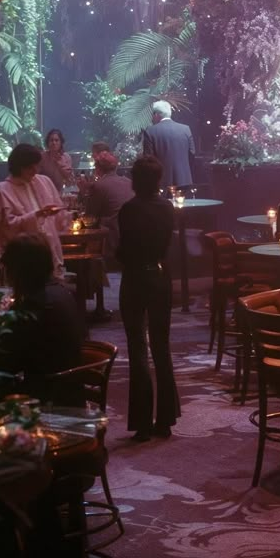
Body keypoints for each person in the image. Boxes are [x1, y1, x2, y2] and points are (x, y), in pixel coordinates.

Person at [118, 156, 180, 442]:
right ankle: (165, 419)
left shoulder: (128, 210)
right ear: (158, 180)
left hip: (134, 279)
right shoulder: (167, 209)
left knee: (137, 348)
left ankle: (142, 423)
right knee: (161, 346)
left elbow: (124, 250)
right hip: (160, 275)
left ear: (135, 180)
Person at [0, 234, 85, 405]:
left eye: (7, 268)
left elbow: (5, 361)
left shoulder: (36, 304)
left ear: (19, 271)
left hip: (46, 397)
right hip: (70, 391)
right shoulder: (62, 293)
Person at [0, 143, 69, 278]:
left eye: (36, 165)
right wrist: (37, 215)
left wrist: (62, 212)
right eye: (29, 167)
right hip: (23, 255)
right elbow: (7, 226)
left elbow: (60, 218)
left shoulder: (44, 181)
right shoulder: (3, 189)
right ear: (17, 167)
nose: (34, 170)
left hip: (49, 249)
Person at [84, 151, 134, 261]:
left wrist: (84, 193)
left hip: (111, 241)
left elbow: (90, 217)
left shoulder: (98, 186)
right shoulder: (129, 182)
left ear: (97, 168)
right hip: (133, 238)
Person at [142, 99, 195, 190]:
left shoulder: (150, 131)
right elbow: (192, 152)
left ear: (157, 114)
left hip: (160, 182)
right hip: (184, 180)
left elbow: (148, 159)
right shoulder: (185, 129)